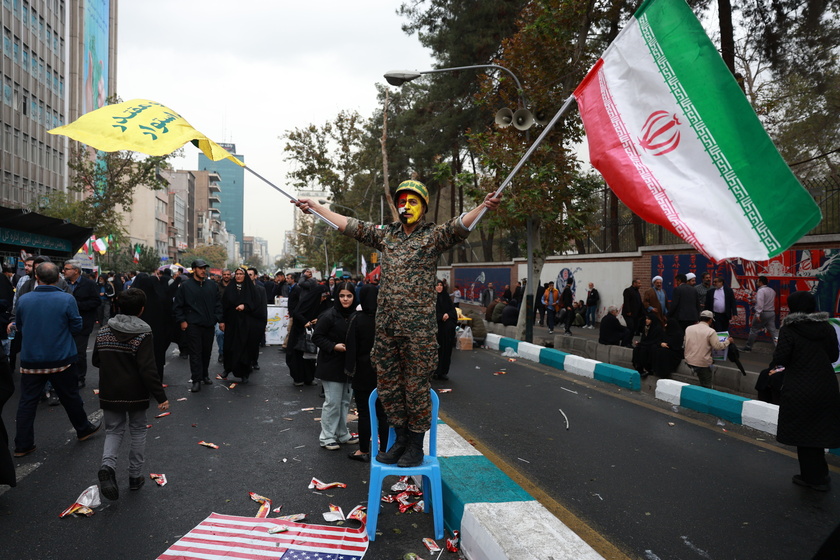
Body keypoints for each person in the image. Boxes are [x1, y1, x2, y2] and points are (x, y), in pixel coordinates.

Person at [292, 180, 500, 468]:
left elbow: (459, 226)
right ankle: (399, 438)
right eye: (402, 202)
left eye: (413, 202)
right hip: (387, 329)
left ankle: (415, 443)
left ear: (424, 208)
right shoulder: (386, 235)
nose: (406, 207)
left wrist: (483, 207)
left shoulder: (432, 237)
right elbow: (352, 226)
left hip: (418, 333)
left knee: (415, 388)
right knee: (389, 387)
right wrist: (316, 208)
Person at [12, 262, 100, 457]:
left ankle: (23, 444)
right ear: (58, 277)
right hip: (61, 358)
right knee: (70, 396)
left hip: (31, 360)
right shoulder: (66, 299)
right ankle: (83, 429)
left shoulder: (24, 300)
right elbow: (76, 326)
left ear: (37, 277)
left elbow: (19, 324)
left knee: (27, 402)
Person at [93, 288, 169, 500]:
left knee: (113, 431)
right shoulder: (143, 333)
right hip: (135, 392)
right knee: (138, 431)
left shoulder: (104, 331)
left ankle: (107, 467)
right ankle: (135, 477)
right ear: (142, 309)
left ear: (118, 306)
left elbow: (96, 361)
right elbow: (147, 368)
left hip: (110, 390)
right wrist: (160, 396)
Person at [769, 290, 840, 492]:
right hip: (826, 384)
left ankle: (813, 478)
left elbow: (781, 358)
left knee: (803, 432)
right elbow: (834, 355)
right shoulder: (826, 327)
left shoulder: (789, 329)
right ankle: (820, 473)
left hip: (800, 385)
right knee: (819, 429)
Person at [312, 282, 359, 450]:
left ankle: (342, 433)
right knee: (332, 402)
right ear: (337, 297)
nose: (345, 299)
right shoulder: (328, 315)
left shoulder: (356, 315)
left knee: (345, 402)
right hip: (331, 365)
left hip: (349, 366)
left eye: (349, 296)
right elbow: (317, 337)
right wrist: (333, 346)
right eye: (342, 296)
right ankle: (327, 437)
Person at [345, 284, 388, 462]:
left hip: (363, 372)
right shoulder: (385, 319)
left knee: (364, 413)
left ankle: (363, 450)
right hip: (385, 372)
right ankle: (385, 451)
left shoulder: (357, 319)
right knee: (383, 414)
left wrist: (349, 371)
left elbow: (351, 348)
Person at [173, 259, 224, 392]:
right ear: (194, 269)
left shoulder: (212, 285)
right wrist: (182, 320)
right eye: (200, 268)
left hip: (208, 325)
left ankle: (204, 375)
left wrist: (220, 320)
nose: (203, 270)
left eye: (204, 268)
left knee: (206, 352)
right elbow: (178, 305)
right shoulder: (186, 286)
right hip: (193, 325)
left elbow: (218, 304)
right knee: (195, 353)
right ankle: (196, 379)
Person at [63, 260, 101, 389]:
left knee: (79, 352)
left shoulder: (89, 284)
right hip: (64, 323)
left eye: (67, 269)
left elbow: (96, 301)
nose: (64, 271)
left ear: (76, 270)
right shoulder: (62, 284)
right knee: (65, 351)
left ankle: (80, 377)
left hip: (83, 324)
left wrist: (76, 305)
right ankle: (67, 376)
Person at [125, 273, 169, 382]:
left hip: (137, 334)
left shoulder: (134, 300)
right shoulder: (159, 297)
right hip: (157, 334)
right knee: (156, 358)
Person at [220, 268, 257, 383]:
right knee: (229, 346)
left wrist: (245, 306)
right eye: (236, 274)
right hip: (231, 322)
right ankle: (228, 369)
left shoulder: (250, 289)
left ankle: (244, 373)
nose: (238, 276)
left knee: (244, 347)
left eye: (241, 274)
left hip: (245, 323)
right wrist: (222, 321)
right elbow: (223, 305)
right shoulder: (229, 289)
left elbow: (255, 303)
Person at [288, 269, 321, 387]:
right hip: (298, 332)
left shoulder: (317, 301)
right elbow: (297, 312)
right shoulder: (303, 295)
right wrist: (305, 321)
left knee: (310, 356)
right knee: (297, 355)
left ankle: (309, 377)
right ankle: (298, 377)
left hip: (310, 333)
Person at [683, 310, 733, 388]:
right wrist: (728, 341)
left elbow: (685, 343)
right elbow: (718, 346)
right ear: (710, 320)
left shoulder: (689, 328)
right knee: (707, 385)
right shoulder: (711, 331)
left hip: (689, 359)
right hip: (702, 363)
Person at [741, 275, 779, 352]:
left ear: (761, 282)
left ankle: (748, 347)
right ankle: (778, 347)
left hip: (763, 313)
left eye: (758, 281)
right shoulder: (772, 290)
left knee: (754, 330)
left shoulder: (761, 291)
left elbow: (760, 302)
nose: (757, 283)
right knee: (773, 331)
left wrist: (758, 313)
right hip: (771, 312)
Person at [434, 280, 457, 380]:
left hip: (446, 331)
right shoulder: (431, 299)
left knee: (446, 351)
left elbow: (453, 311)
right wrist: (440, 317)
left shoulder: (447, 298)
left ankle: (443, 371)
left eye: (441, 285)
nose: (439, 287)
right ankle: (434, 371)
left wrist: (448, 315)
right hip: (436, 330)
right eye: (437, 285)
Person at [632, 312, 664, 377]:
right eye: (646, 319)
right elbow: (644, 339)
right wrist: (640, 343)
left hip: (653, 345)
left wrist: (642, 343)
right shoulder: (646, 328)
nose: (646, 320)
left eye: (648, 319)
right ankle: (639, 368)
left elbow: (655, 340)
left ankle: (647, 369)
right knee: (637, 349)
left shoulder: (657, 329)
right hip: (646, 344)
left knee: (644, 350)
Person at [248, 267, 268, 371]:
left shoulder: (261, 289)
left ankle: (254, 361)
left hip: (257, 320)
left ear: (255, 276)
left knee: (255, 343)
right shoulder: (241, 289)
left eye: (250, 274)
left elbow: (263, 306)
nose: (248, 277)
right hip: (245, 320)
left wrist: (264, 322)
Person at [215, 269, 232, 364]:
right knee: (220, 333)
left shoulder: (235, 286)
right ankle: (222, 353)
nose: (226, 276)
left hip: (233, 315)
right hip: (220, 315)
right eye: (224, 274)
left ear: (230, 275)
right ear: (222, 275)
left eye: (228, 274)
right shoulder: (216, 286)